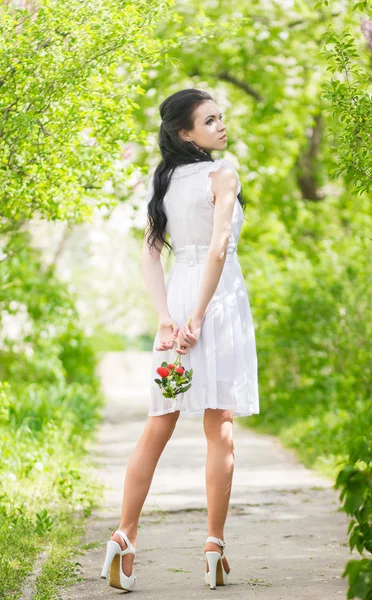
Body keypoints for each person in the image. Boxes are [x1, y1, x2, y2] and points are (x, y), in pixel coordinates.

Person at [100, 88, 260, 591]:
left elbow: (150, 254)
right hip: (220, 301)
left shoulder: (164, 180)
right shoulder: (224, 173)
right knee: (220, 423)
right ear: (184, 133)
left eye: (220, 118)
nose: (221, 126)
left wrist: (167, 318)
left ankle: (125, 535)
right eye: (209, 120)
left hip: (180, 298)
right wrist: (197, 316)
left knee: (159, 422)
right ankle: (213, 544)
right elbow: (218, 248)